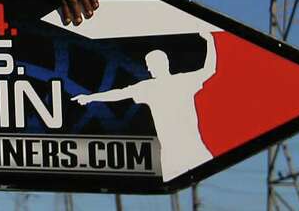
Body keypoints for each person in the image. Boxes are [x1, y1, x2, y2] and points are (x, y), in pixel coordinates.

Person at [71, 32, 217, 181]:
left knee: (211, 179)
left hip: (193, 149)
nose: (148, 70)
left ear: (162, 63)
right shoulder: (150, 87)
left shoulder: (179, 82)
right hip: (171, 155)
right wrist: (90, 98)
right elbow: (119, 93)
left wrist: (210, 40)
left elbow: (209, 70)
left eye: (150, 66)